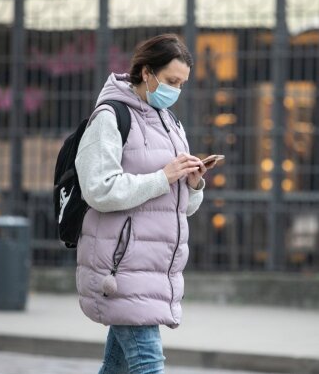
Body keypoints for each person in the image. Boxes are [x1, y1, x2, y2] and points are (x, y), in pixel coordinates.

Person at [75, 34, 216, 373]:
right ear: (146, 72)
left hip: (153, 269)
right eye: (171, 81)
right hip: (123, 269)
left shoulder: (170, 122)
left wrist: (192, 184)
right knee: (148, 365)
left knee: (118, 367)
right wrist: (163, 177)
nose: (176, 90)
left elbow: (181, 206)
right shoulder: (111, 116)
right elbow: (99, 189)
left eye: (181, 83)